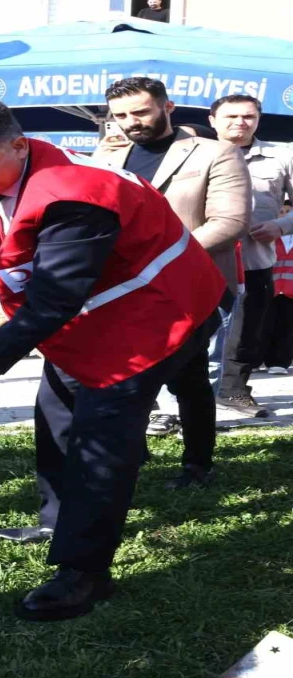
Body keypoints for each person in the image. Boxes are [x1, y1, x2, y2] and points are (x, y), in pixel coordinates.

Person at [0, 98, 223, 621]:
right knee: (56, 414)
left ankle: (83, 573)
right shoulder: (12, 172)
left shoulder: (73, 196)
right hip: (100, 314)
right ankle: (58, 519)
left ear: (16, 144)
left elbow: (54, 301)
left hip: (155, 317)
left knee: (102, 442)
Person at [93, 78, 250, 491]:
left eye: (141, 112)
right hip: (123, 287)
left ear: (168, 107)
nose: (131, 122)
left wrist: (157, 260)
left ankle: (196, 464)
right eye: (121, 115)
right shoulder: (107, 157)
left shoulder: (216, 152)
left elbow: (229, 223)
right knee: (146, 369)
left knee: (178, 371)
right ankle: (145, 453)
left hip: (194, 285)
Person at [209, 95, 293, 394]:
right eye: (231, 116)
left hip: (255, 259)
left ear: (258, 120)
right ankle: (193, 396)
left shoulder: (281, 156)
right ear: (213, 121)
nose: (239, 122)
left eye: (248, 117)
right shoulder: (194, 153)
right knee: (199, 329)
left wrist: (279, 226)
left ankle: (234, 391)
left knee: (247, 329)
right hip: (202, 259)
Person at [262, 201, 293, 373]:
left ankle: (279, 362)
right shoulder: (270, 238)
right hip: (272, 288)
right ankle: (258, 358)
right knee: (265, 325)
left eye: (288, 211)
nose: (284, 214)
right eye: (281, 211)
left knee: (286, 327)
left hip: (290, 291)